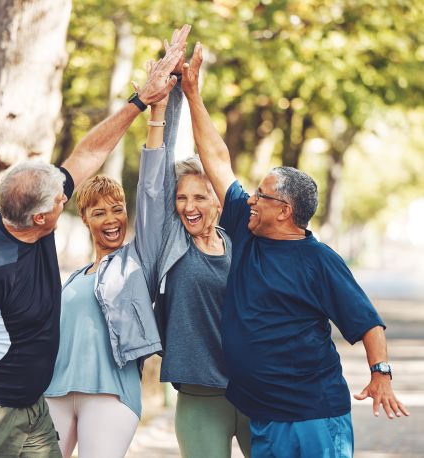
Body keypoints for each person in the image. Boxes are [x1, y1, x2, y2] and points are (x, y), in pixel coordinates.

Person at [0, 31, 188, 458]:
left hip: (33, 408)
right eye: (62, 201)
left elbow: (86, 157)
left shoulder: (23, 211)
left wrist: (143, 103)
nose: (67, 196)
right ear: (42, 218)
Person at [180, 42, 410, 457]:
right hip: (265, 417)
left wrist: (382, 374)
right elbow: (216, 158)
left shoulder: (319, 261)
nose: (250, 198)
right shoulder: (246, 231)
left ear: (283, 210)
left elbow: (367, 323)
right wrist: (193, 94)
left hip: (314, 415)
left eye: (260, 195)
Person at [43, 27, 191, 458]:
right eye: (98, 212)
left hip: (109, 396)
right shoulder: (73, 278)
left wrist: (158, 111)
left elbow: (151, 191)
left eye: (117, 209)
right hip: (55, 392)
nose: (112, 219)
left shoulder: (139, 261)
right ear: (84, 219)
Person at [152, 73, 251, 456]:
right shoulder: (172, 241)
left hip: (254, 389)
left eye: (199, 197)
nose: (189, 207)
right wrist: (168, 99)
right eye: (181, 198)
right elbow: (155, 175)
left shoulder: (238, 241)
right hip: (199, 396)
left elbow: (219, 159)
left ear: (219, 199)